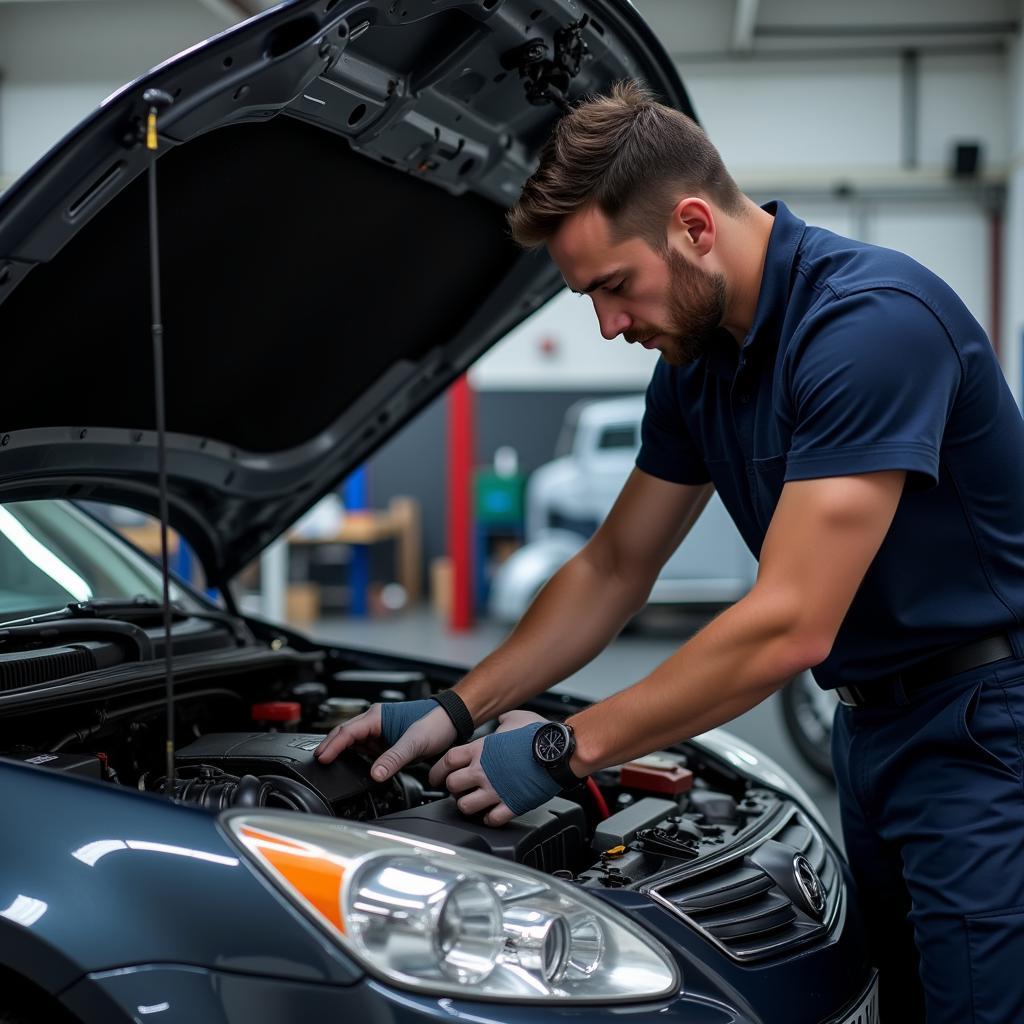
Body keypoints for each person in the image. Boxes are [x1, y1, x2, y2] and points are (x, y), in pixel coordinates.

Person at [317, 81, 1024, 1022]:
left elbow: (786, 627)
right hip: (871, 731)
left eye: (614, 285)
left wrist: (567, 748)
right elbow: (614, 568)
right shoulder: (699, 365)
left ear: (694, 224)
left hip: (982, 726)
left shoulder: (869, 327)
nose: (609, 325)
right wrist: (458, 708)